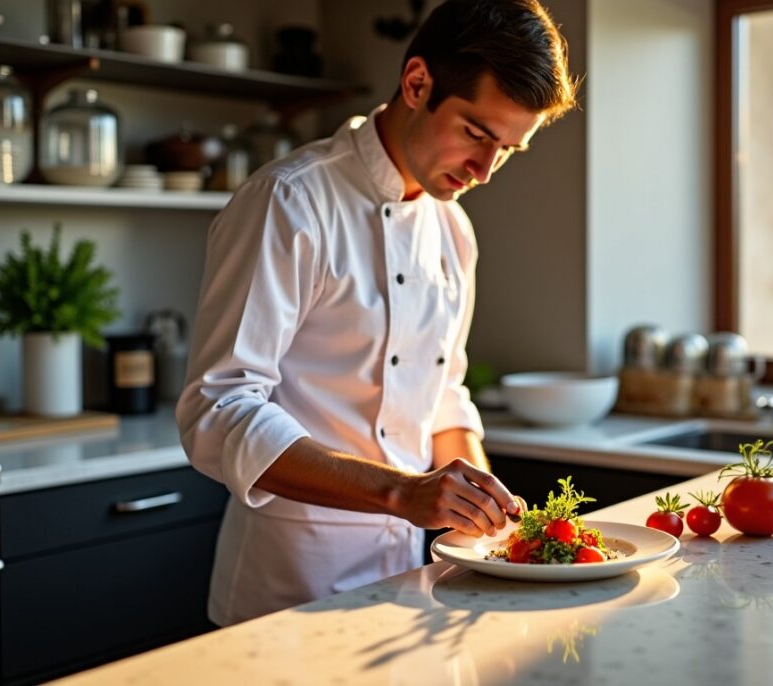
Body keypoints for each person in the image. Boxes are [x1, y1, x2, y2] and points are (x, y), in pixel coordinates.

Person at [176, 0, 579, 627]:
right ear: (417, 83)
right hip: (286, 591)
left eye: (508, 150)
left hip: (411, 590)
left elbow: (443, 393)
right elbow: (219, 407)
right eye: (476, 134)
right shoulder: (291, 200)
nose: (485, 170)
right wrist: (401, 491)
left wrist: (484, 507)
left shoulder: (454, 231)